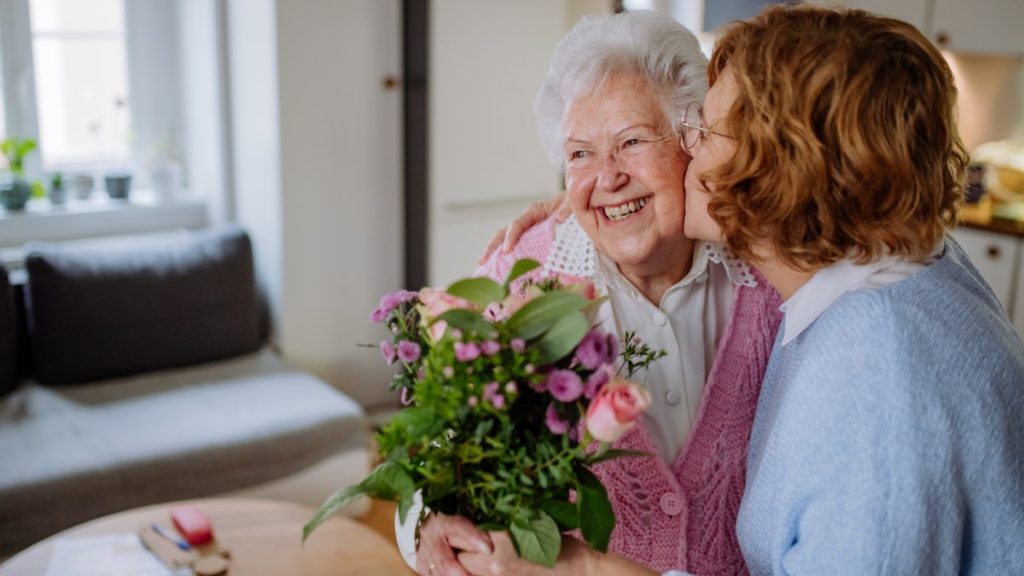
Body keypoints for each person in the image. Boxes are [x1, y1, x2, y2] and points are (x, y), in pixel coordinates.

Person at [457, 5, 1024, 575]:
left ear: (784, 165)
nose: (691, 150)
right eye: (581, 154)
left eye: (703, 131)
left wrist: (584, 571)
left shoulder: (878, 367)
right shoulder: (916, 265)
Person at [399, 10, 783, 576]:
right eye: (580, 154)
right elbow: (434, 450)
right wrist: (426, 521)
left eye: (630, 142)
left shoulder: (768, 269)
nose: (606, 178)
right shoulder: (521, 275)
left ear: (694, 142)